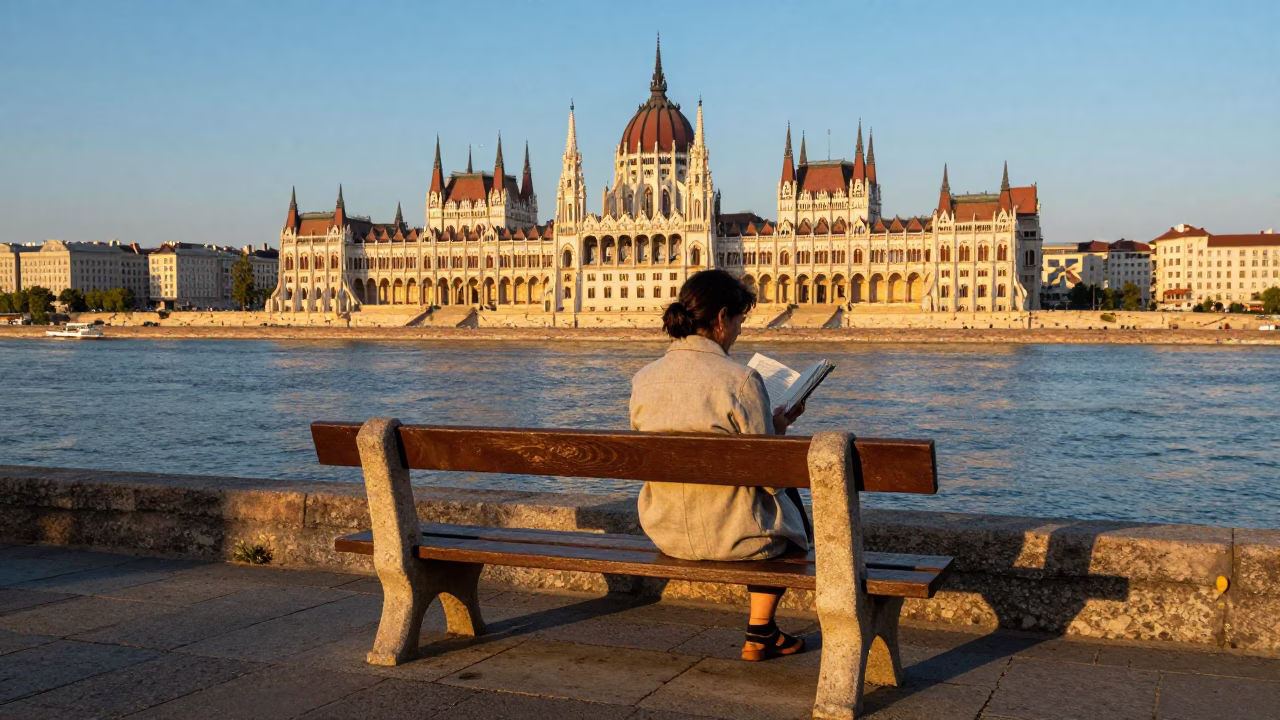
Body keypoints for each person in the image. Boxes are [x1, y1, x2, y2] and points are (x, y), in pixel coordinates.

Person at [630, 269, 810, 661]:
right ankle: (760, 629)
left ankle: (764, 632)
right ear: (721, 318)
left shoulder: (643, 379)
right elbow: (767, 470)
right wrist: (778, 428)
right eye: (740, 321)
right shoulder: (742, 380)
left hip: (665, 530)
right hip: (733, 536)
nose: (740, 332)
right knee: (791, 508)